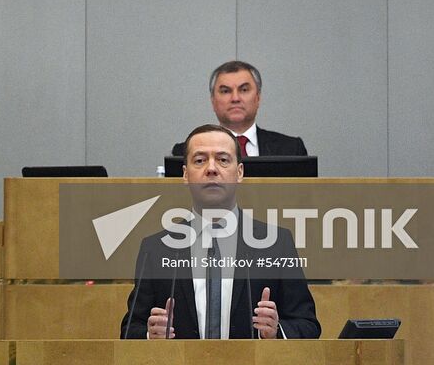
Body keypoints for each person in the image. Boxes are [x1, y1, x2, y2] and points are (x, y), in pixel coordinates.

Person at [121, 124, 320, 340]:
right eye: (200, 160)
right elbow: (130, 329)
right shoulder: (156, 248)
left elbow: (307, 325)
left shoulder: (276, 243)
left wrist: (276, 331)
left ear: (240, 172)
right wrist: (150, 335)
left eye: (223, 160)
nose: (212, 168)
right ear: (185, 175)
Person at [171, 61, 307, 158]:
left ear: (258, 97)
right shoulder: (186, 152)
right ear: (213, 101)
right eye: (225, 91)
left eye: (244, 90)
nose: (235, 98)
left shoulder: (291, 149)